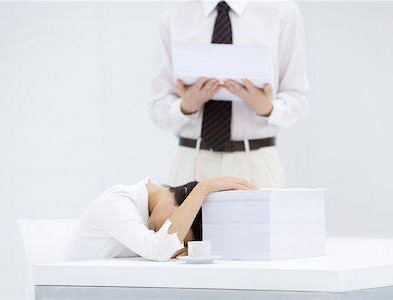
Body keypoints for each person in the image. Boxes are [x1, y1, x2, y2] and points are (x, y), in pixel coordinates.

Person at [149, 0, 309, 188]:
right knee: (180, 219)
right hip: (192, 163)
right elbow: (158, 108)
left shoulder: (281, 11)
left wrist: (267, 108)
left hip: (256, 165)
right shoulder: (174, 17)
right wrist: (186, 106)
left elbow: (299, 99)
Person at [64, 177, 256, 262]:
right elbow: (159, 248)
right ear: (182, 194)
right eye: (172, 226)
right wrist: (203, 188)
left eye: (182, 242)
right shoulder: (117, 202)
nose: (169, 234)